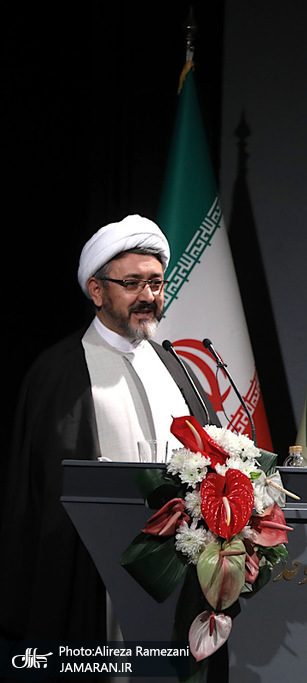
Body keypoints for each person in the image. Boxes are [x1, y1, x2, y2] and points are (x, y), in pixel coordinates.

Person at [2, 215, 218, 644]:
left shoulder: (175, 367)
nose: (148, 296)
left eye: (155, 283)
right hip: (94, 573)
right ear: (97, 291)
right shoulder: (60, 372)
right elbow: (41, 495)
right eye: (132, 283)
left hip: (182, 569)